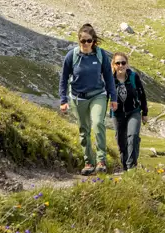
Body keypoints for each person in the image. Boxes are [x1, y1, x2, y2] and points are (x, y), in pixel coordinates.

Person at [58, 24, 117, 175]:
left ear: (93, 41)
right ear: (78, 40)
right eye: (83, 41)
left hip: (98, 95)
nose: (85, 44)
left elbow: (109, 77)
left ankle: (101, 160)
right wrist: (63, 100)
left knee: (97, 123)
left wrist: (113, 97)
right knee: (84, 130)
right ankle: (88, 163)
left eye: (89, 40)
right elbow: (64, 78)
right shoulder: (72, 56)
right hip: (78, 98)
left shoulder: (100, 55)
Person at [110, 52, 148, 171]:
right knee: (121, 141)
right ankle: (125, 166)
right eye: (118, 63)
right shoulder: (110, 79)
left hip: (134, 112)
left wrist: (145, 113)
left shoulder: (133, 77)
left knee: (133, 136)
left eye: (123, 63)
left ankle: (132, 166)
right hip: (117, 114)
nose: (121, 65)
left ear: (127, 64)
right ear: (114, 65)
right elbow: (104, 96)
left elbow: (142, 94)